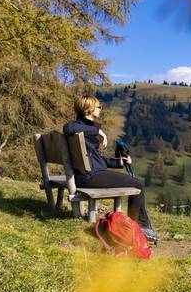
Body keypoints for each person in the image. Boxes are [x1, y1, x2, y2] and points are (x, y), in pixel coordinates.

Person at [63, 95, 159, 243]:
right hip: (90, 177)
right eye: (98, 107)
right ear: (88, 109)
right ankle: (137, 228)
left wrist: (119, 162)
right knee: (138, 183)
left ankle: (141, 226)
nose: (100, 109)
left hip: (91, 174)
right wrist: (98, 132)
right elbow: (68, 127)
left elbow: (96, 159)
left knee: (136, 183)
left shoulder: (85, 130)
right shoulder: (79, 128)